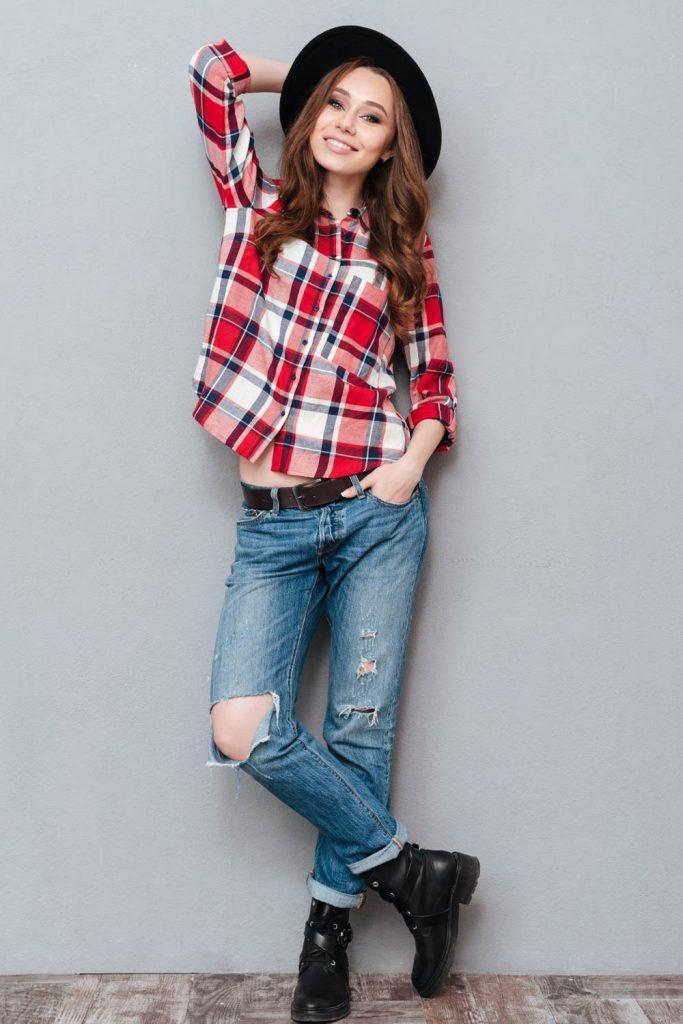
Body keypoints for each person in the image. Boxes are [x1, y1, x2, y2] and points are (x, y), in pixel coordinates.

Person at [188, 24, 480, 1021]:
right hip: (270, 527)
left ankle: (327, 935)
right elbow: (214, 71)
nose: (348, 124)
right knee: (240, 725)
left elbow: (434, 380)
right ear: (311, 113)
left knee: (359, 728)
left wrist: (407, 466)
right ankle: (413, 874)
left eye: (373, 116)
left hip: (373, 514)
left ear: (393, 145)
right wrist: (312, 69)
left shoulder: (400, 248)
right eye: (336, 104)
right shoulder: (256, 201)